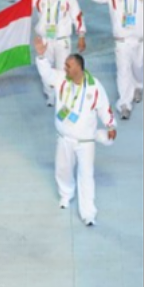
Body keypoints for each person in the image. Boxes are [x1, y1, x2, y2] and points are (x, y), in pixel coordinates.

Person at [34, 38, 117, 226]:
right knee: (62, 169)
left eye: (68, 66)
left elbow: (104, 107)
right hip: (64, 137)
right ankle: (65, 194)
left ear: (79, 68)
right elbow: (47, 74)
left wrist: (110, 124)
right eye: (64, 65)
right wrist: (41, 56)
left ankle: (88, 214)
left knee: (86, 175)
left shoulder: (94, 86)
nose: (64, 68)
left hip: (85, 141)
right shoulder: (62, 79)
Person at [90, 0, 144, 120]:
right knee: (123, 71)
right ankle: (124, 104)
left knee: (139, 67)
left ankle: (138, 86)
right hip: (121, 40)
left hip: (141, 39)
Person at [32, 0, 86, 106]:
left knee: (63, 69)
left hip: (62, 40)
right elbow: (24, 8)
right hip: (45, 39)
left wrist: (81, 36)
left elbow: (77, 17)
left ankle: (62, 95)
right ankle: (50, 94)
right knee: (45, 67)